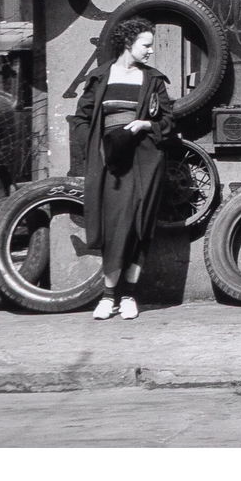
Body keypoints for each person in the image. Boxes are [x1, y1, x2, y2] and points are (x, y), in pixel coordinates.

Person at [70, 16, 175, 320]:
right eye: (146, 45)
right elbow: (81, 119)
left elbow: (168, 121)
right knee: (116, 226)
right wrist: (96, 148)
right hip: (111, 163)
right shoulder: (100, 77)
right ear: (129, 44)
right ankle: (107, 297)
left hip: (145, 161)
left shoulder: (152, 80)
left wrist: (145, 124)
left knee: (140, 226)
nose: (151, 51)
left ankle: (129, 295)